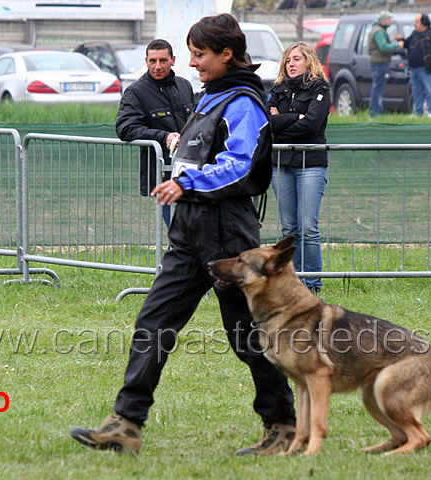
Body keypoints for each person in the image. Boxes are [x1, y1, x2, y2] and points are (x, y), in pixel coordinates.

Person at [71, 13, 296, 456]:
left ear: (226, 54)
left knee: (246, 335)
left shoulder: (243, 102)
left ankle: (283, 425)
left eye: (199, 54)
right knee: (153, 322)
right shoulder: (209, 96)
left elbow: (241, 165)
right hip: (189, 231)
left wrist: (186, 183)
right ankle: (125, 424)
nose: (192, 63)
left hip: (228, 233)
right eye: (190, 54)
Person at [266, 42, 331, 294]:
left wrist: (282, 121)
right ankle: (291, 283)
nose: (291, 64)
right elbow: (268, 123)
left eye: (296, 59)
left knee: (308, 228)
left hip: (311, 164)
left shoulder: (319, 87)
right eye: (288, 60)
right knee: (289, 228)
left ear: (309, 62)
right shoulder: (278, 88)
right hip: (280, 164)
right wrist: (296, 118)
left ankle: (312, 284)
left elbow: (313, 123)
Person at [115, 39, 194, 227]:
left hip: (191, 171)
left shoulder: (184, 86)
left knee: (196, 233)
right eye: (152, 61)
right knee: (181, 233)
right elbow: (125, 128)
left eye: (163, 61)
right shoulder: (136, 92)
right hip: (163, 173)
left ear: (173, 60)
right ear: (146, 61)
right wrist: (163, 137)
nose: (157, 66)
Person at [400, 14, 431, 118]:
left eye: (417, 22)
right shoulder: (415, 34)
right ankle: (417, 112)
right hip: (414, 68)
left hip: (426, 68)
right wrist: (401, 40)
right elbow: (408, 43)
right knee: (416, 91)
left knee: (430, 90)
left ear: (424, 23)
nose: (414, 24)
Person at [367, 11, 404, 117]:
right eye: (389, 19)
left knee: (378, 87)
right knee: (378, 87)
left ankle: (376, 110)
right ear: (383, 20)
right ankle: (375, 112)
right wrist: (397, 45)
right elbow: (383, 47)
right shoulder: (379, 31)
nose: (390, 21)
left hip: (379, 62)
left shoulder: (378, 30)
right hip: (379, 63)